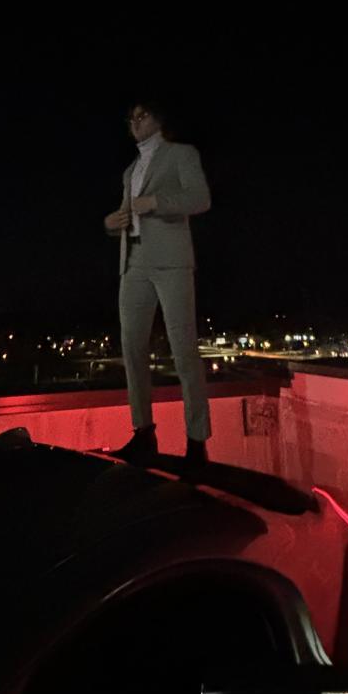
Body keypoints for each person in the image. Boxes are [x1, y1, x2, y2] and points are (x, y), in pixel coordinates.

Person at [103, 101, 212, 470]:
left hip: (171, 262)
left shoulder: (181, 154)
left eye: (142, 116)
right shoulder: (130, 170)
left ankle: (196, 443)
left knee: (184, 351)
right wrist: (111, 224)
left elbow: (200, 199)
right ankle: (143, 433)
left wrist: (156, 202)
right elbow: (127, 215)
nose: (134, 122)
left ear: (159, 118)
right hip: (132, 262)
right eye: (130, 118)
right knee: (132, 349)